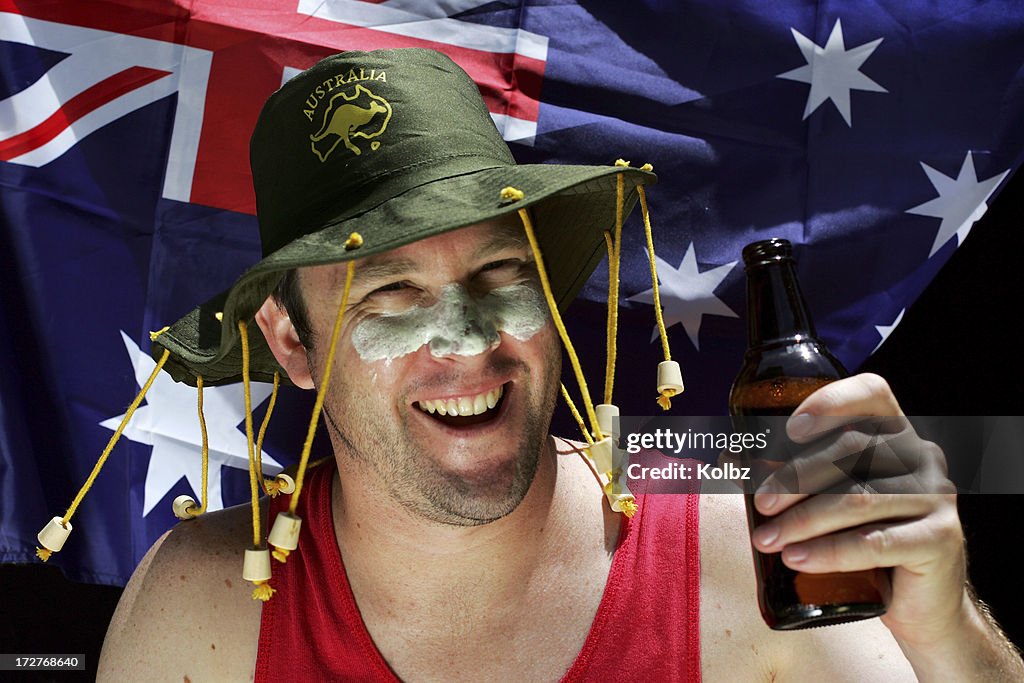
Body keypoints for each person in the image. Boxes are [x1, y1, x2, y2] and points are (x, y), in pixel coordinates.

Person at [97, 48, 1023, 681]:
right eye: (393, 295)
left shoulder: (741, 523)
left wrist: (947, 633)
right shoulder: (202, 604)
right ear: (292, 340)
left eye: (501, 273)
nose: (466, 338)